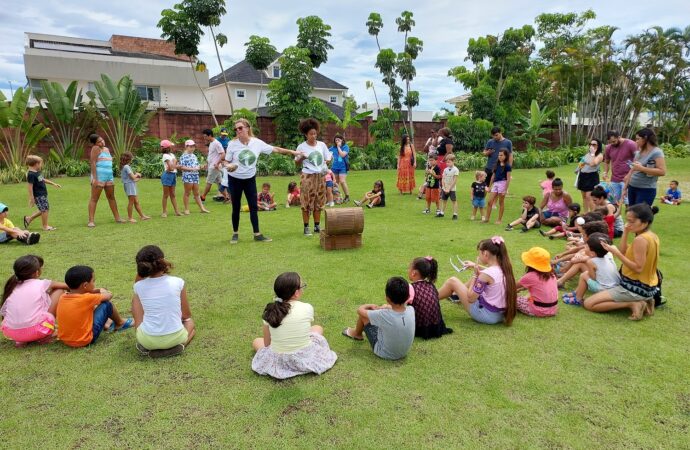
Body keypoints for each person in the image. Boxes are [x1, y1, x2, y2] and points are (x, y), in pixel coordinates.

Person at [223, 118, 300, 244]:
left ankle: (257, 234)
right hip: (235, 179)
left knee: (253, 206)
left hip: (249, 179)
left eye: (240, 128)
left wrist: (294, 152)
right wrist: (229, 166)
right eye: (235, 129)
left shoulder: (257, 143)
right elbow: (226, 161)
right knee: (235, 207)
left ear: (247, 128)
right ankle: (235, 233)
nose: (238, 130)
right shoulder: (232, 144)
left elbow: (276, 149)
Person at [251, 272, 337, 379]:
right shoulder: (307, 307)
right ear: (296, 293)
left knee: (256, 341)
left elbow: (267, 344)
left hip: (280, 359)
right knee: (317, 328)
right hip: (305, 356)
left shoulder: (270, 311)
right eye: (302, 286)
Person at [583, 204, 660, 320]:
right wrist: (625, 232)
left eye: (632, 221)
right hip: (647, 287)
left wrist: (616, 253)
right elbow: (624, 251)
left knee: (589, 303)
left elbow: (638, 268)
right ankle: (645, 299)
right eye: (628, 221)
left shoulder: (641, 239)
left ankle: (634, 303)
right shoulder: (651, 236)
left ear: (644, 223)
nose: (629, 224)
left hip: (633, 287)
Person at [131, 245, 196, 358]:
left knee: (135, 299)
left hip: (147, 340)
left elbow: (138, 315)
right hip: (175, 338)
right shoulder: (178, 282)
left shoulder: (138, 287)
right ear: (163, 261)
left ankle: (146, 346)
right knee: (190, 322)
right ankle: (181, 345)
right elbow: (186, 315)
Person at [438, 236, 517, 326]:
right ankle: (454, 296)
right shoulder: (506, 268)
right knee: (469, 281)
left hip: (487, 315)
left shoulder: (487, 274)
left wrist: (475, 275)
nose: (478, 256)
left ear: (485, 254)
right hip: (501, 314)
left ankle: (429, 299)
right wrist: (477, 269)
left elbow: (471, 298)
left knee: (453, 281)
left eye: (479, 252)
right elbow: (491, 274)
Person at [56, 265, 132, 347]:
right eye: (93, 281)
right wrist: (103, 290)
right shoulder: (87, 298)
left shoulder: (63, 297)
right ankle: (120, 323)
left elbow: (84, 294)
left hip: (66, 340)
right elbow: (109, 296)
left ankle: (107, 323)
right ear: (85, 285)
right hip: (84, 340)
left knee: (92, 307)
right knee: (107, 305)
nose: (94, 283)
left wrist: (96, 290)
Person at [342, 276, 415, 361]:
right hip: (403, 352)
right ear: (407, 296)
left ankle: (356, 334)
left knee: (364, 316)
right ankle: (357, 333)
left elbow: (360, 311)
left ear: (387, 298)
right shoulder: (411, 310)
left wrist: (369, 306)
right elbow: (395, 312)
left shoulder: (384, 315)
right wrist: (386, 307)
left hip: (385, 353)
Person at [1, 255, 67, 347]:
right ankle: (46, 336)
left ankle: (22, 340)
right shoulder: (42, 283)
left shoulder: (12, 286)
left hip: (13, 333)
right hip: (37, 330)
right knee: (59, 291)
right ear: (37, 272)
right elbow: (69, 285)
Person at [295, 119, 332, 236]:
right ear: (306, 134)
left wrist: (327, 162)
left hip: (320, 176)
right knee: (306, 201)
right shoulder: (301, 146)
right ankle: (306, 227)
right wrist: (302, 157)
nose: (314, 136)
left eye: (315, 133)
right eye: (311, 134)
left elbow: (328, 158)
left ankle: (317, 226)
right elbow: (297, 163)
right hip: (307, 176)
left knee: (319, 201)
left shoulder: (322, 145)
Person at [562, 233, 621, 306]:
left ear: (592, 253)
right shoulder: (608, 254)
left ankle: (577, 299)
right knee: (585, 273)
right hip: (616, 286)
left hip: (604, 289)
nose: (584, 248)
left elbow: (593, 278)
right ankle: (576, 292)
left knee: (584, 276)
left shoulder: (591, 261)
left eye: (586, 247)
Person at [407, 257, 453, 339]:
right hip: (436, 326)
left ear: (414, 273)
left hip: (420, 328)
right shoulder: (431, 285)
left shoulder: (411, 287)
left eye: (409, 268)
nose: (408, 270)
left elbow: (401, 306)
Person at [87, 133, 124, 227]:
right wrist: (95, 178)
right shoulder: (95, 148)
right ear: (94, 143)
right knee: (94, 198)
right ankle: (91, 221)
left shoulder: (107, 149)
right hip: (99, 177)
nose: (102, 142)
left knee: (111, 197)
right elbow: (93, 163)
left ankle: (117, 218)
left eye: (102, 140)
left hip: (109, 176)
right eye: (99, 142)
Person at [624, 128, 667, 206]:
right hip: (632, 187)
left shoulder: (657, 152)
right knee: (632, 214)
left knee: (640, 216)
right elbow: (633, 169)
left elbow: (662, 171)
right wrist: (625, 187)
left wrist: (642, 168)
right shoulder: (638, 152)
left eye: (638, 139)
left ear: (645, 138)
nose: (636, 141)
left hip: (646, 189)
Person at [516, 247, 558, 317]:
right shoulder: (552, 274)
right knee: (532, 293)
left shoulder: (530, 276)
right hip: (553, 309)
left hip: (538, 310)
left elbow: (512, 286)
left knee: (511, 298)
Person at [24, 155, 61, 231]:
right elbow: (30, 187)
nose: (41, 165)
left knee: (43, 209)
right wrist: (32, 198)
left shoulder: (37, 172)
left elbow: (42, 180)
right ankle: (45, 226)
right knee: (44, 209)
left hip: (42, 194)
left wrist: (53, 183)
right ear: (36, 164)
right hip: (38, 195)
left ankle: (29, 218)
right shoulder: (31, 174)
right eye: (40, 163)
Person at [603, 130, 637, 205]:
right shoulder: (609, 147)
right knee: (613, 202)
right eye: (610, 142)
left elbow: (638, 160)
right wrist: (605, 172)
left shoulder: (631, 144)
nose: (612, 144)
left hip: (628, 179)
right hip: (614, 179)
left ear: (619, 137)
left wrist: (629, 175)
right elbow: (606, 161)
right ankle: (615, 217)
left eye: (614, 141)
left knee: (628, 203)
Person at [178, 140, 210, 215]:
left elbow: (197, 166)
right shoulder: (183, 156)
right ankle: (186, 209)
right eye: (190, 147)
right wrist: (192, 169)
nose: (192, 148)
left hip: (195, 175)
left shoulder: (194, 156)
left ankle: (202, 208)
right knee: (187, 193)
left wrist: (201, 167)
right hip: (187, 176)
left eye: (193, 147)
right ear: (186, 147)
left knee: (197, 193)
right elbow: (181, 167)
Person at [119, 152, 150, 223]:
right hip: (129, 186)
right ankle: (130, 218)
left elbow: (132, 179)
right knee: (131, 202)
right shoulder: (126, 167)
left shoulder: (125, 166)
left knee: (136, 201)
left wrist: (137, 179)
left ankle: (142, 216)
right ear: (129, 159)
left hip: (131, 185)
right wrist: (137, 174)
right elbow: (133, 177)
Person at [483, 149, 512, 224]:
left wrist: (505, 189)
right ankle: (487, 219)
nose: (499, 156)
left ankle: (499, 220)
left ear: (506, 156)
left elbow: (508, 178)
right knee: (489, 202)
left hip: (503, 183)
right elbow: (493, 176)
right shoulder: (497, 164)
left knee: (501, 202)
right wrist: (489, 187)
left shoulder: (507, 166)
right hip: (495, 184)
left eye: (501, 155)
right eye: (499, 155)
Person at [577, 139, 604, 212]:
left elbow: (593, 163)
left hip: (592, 176)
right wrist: (578, 168)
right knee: (584, 196)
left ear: (598, 146)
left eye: (594, 144)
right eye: (590, 144)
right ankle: (586, 213)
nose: (591, 146)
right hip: (583, 176)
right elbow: (582, 162)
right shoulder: (587, 154)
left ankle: (593, 213)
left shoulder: (599, 155)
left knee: (589, 196)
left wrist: (593, 154)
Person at [201, 128, 227, 203]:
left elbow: (223, 154)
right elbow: (212, 155)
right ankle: (227, 197)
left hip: (214, 167)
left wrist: (217, 163)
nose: (204, 138)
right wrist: (207, 163)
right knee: (220, 183)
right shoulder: (211, 143)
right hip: (212, 166)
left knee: (209, 182)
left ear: (210, 135)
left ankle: (203, 197)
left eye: (205, 136)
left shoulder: (216, 143)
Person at [160, 139, 181, 217]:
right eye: (170, 146)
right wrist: (175, 162)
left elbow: (173, 167)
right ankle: (164, 212)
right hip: (167, 175)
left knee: (173, 194)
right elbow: (171, 168)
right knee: (166, 195)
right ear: (168, 147)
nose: (172, 147)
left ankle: (177, 211)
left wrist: (175, 164)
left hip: (172, 175)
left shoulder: (172, 155)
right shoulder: (165, 156)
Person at [328, 134, 350, 202]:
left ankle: (347, 196)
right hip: (334, 167)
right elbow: (327, 155)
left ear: (342, 140)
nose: (337, 141)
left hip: (342, 167)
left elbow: (342, 155)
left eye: (339, 140)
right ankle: (336, 197)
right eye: (336, 140)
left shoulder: (345, 147)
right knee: (336, 183)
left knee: (342, 181)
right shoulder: (331, 148)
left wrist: (338, 147)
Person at [439, 153, 459, 220]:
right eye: (446, 162)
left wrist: (449, 188)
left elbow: (454, 180)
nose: (447, 163)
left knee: (454, 201)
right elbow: (443, 178)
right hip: (445, 188)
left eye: (449, 162)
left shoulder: (455, 170)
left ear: (453, 161)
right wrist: (444, 187)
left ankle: (455, 214)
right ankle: (442, 213)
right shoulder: (445, 169)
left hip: (452, 189)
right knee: (444, 200)